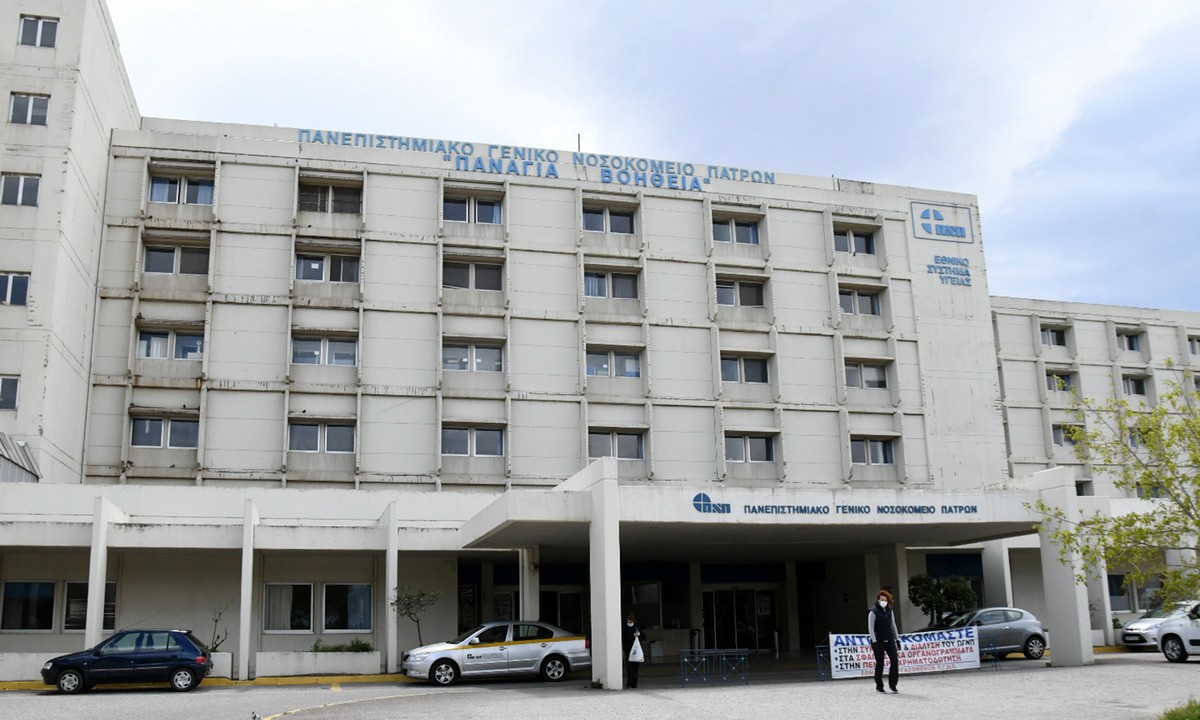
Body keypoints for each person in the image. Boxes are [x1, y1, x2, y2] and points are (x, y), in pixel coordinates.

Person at [867, 589, 902, 694]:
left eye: (885, 600)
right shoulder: (873, 612)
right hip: (878, 640)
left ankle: (893, 684)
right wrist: (874, 641)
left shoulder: (890, 611)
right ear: (878, 600)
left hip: (889, 639)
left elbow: (893, 625)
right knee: (880, 663)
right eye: (882, 600)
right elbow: (871, 627)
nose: (884, 602)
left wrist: (897, 639)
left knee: (894, 660)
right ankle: (879, 685)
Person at [622, 612, 645, 688]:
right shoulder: (625, 629)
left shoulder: (636, 628)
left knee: (635, 668)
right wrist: (632, 636)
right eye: (628, 622)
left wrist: (638, 635)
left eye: (631, 622)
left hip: (635, 651)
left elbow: (644, 637)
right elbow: (624, 638)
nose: (629, 623)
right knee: (629, 667)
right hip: (628, 650)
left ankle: (634, 683)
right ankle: (629, 682)